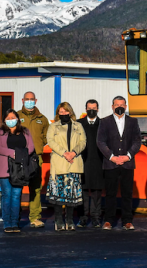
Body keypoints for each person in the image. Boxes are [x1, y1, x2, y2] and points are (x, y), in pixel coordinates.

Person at [96, 96, 141, 230]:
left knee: (127, 193)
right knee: (110, 193)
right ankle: (109, 220)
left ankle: (127, 221)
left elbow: (137, 141)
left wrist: (128, 156)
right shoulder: (104, 122)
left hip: (127, 163)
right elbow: (100, 141)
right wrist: (112, 157)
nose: (119, 107)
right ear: (112, 106)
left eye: (122, 104)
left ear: (126, 107)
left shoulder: (133, 121)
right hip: (111, 164)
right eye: (116, 105)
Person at [0, 109, 35, 233]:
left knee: (17, 196)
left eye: (13, 117)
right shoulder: (0, 132)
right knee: (7, 195)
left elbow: (31, 147)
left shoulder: (25, 132)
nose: (11, 120)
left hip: (20, 169)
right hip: (5, 168)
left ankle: (15, 222)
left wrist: (21, 155)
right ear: (4, 120)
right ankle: (7, 223)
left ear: (18, 119)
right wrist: (13, 153)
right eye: (8, 118)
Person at [46, 102, 86, 231]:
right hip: (59, 163)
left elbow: (83, 142)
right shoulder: (53, 126)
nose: (63, 114)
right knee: (58, 194)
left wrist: (73, 153)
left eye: (66, 111)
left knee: (72, 195)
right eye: (61, 112)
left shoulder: (78, 126)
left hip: (74, 163)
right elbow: (50, 141)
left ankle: (69, 220)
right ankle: (58, 220)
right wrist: (64, 153)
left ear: (70, 112)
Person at [18, 92, 49, 228]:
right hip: (19, 157)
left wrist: (39, 145)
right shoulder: (16, 116)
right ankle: (15, 217)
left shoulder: (42, 119)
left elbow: (47, 136)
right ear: (22, 100)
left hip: (36, 157)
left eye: (31, 99)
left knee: (35, 188)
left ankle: (35, 217)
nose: (29, 101)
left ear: (35, 100)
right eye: (27, 99)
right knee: (17, 187)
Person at [77, 99, 104, 228]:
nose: (91, 110)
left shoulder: (103, 124)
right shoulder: (79, 124)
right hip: (82, 161)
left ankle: (95, 217)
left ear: (98, 109)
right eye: (89, 108)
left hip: (99, 161)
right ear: (86, 109)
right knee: (82, 191)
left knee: (96, 192)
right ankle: (82, 217)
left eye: (94, 108)